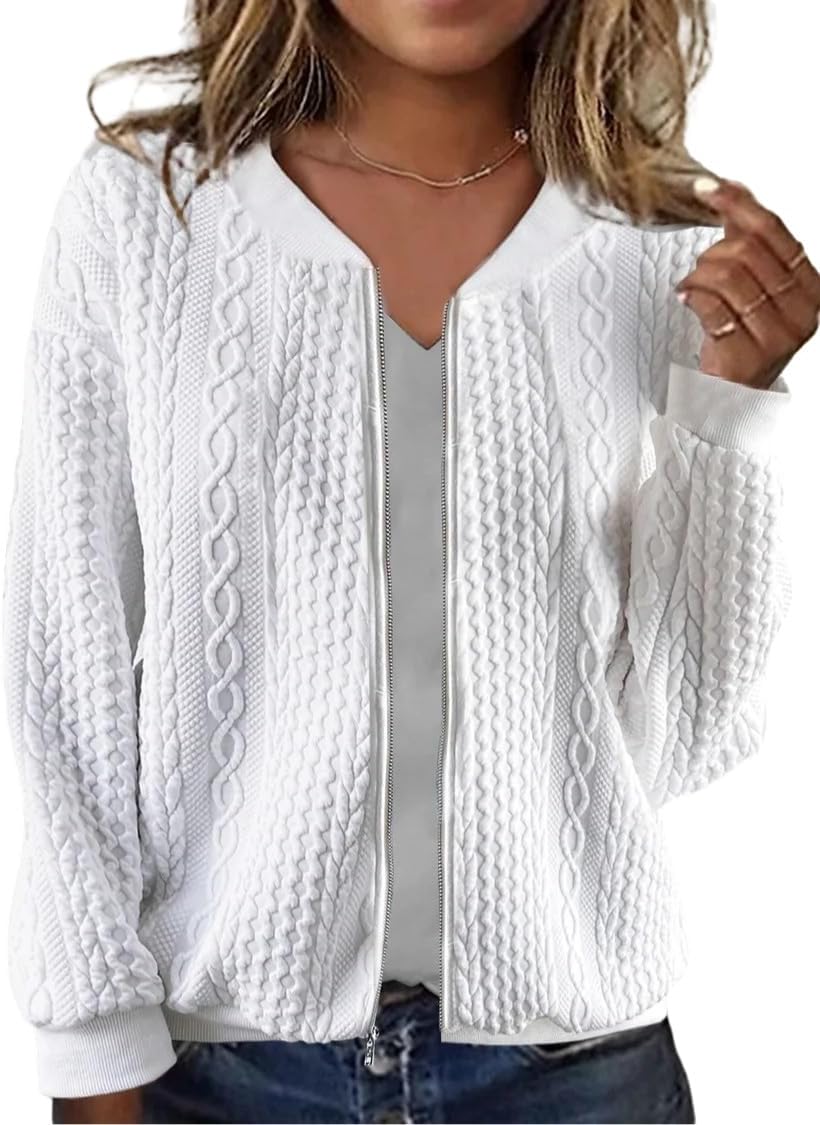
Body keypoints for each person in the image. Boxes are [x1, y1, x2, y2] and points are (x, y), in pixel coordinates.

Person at [3, 0, 816, 1122]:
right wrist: (89, 1044)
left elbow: (686, 737)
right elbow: (60, 660)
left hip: (579, 1074)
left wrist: (731, 409)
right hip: (223, 1070)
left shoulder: (667, 242)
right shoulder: (147, 210)